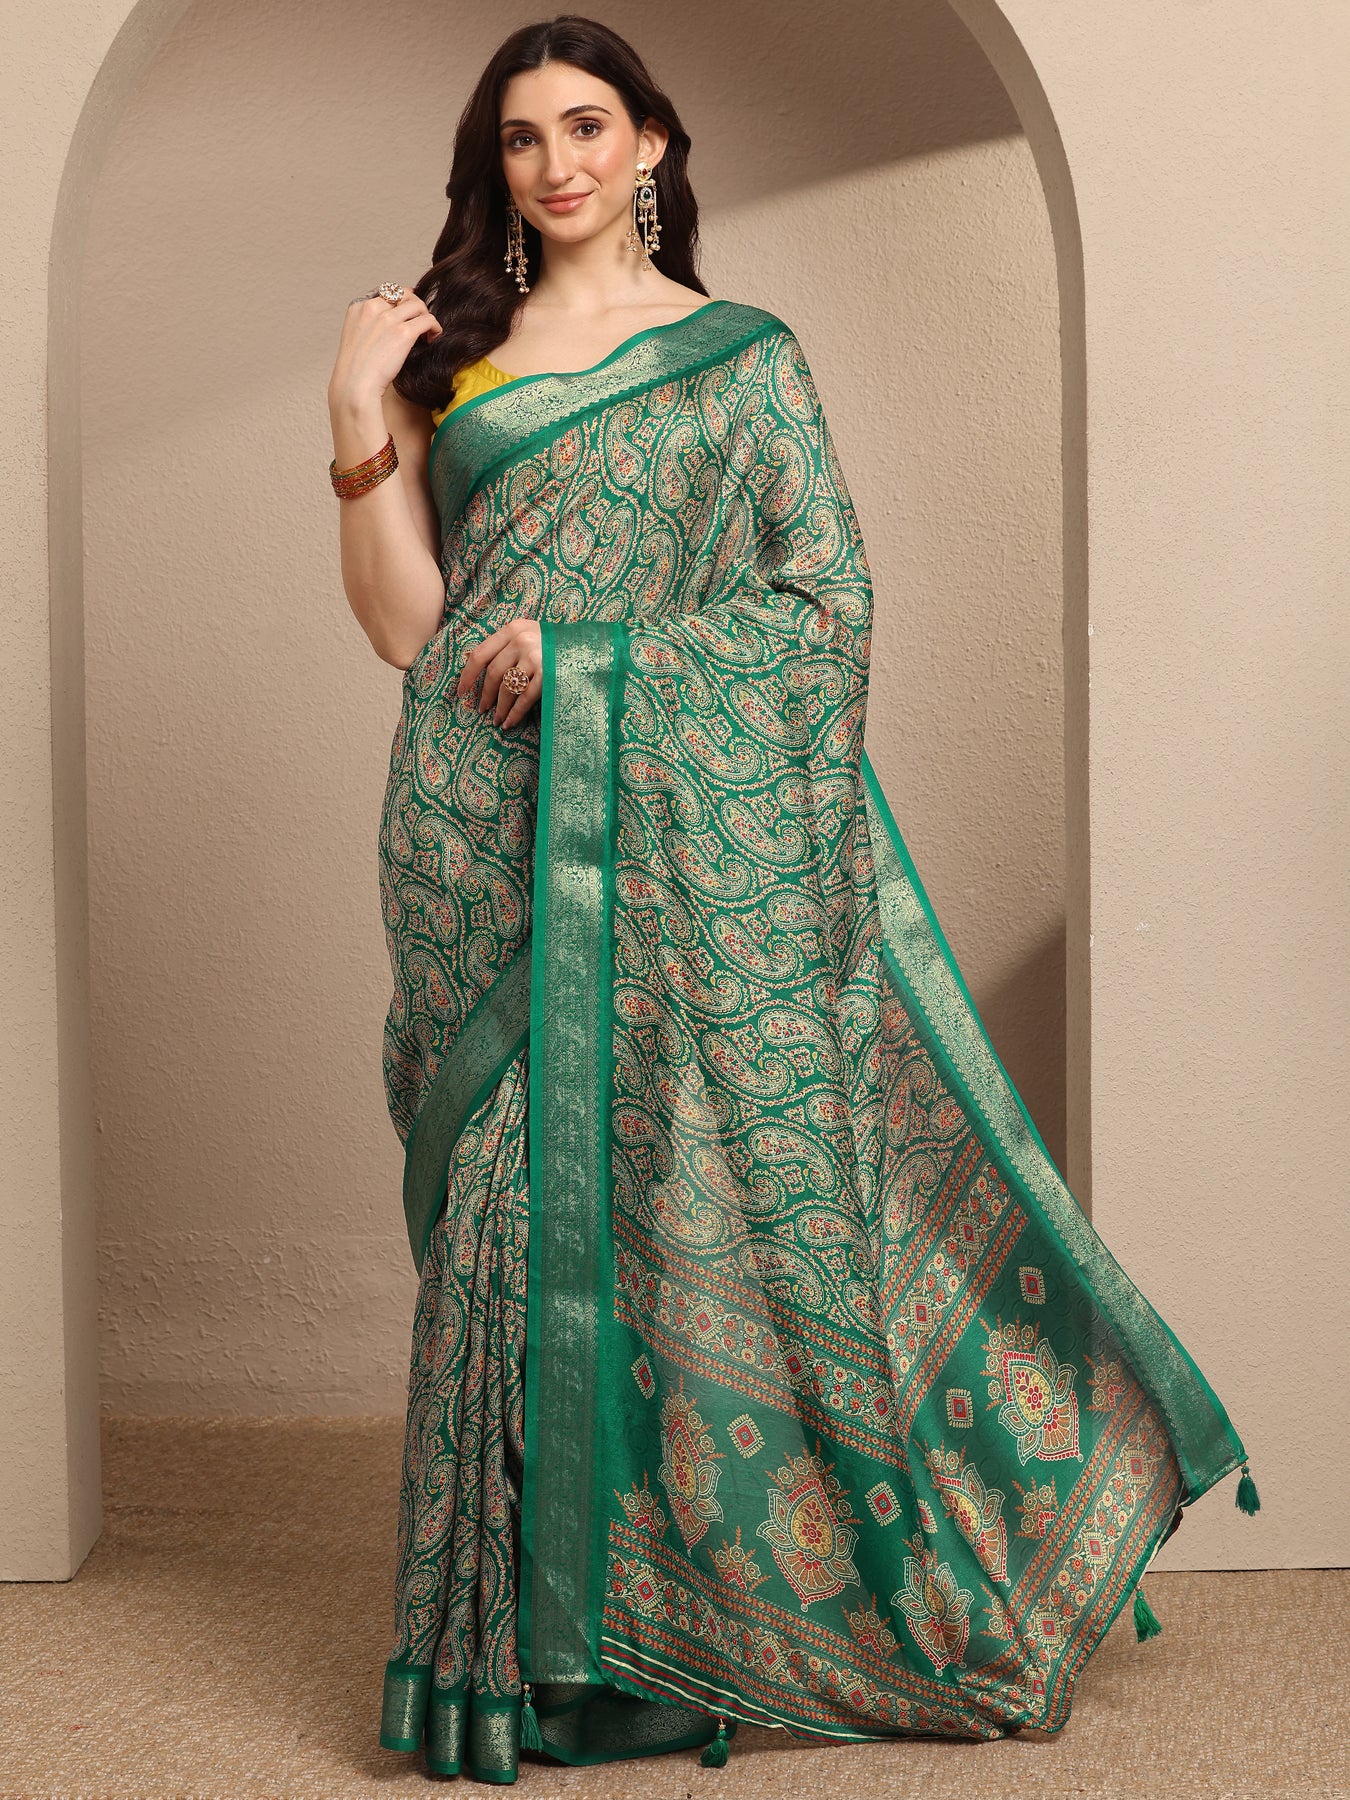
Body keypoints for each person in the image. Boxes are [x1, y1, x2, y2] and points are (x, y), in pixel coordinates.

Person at [326, 14, 1259, 1785]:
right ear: (494, 168)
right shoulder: (449, 359)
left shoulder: (742, 362)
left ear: (651, 142)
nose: (555, 163)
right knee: (500, 1230)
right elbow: (402, 629)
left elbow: (824, 610)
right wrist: (350, 415)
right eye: (520, 137)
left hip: (654, 840)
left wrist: (595, 660)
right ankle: (513, 1661)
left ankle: (648, 1638)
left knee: (625, 1209)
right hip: (469, 833)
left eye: (584, 125)